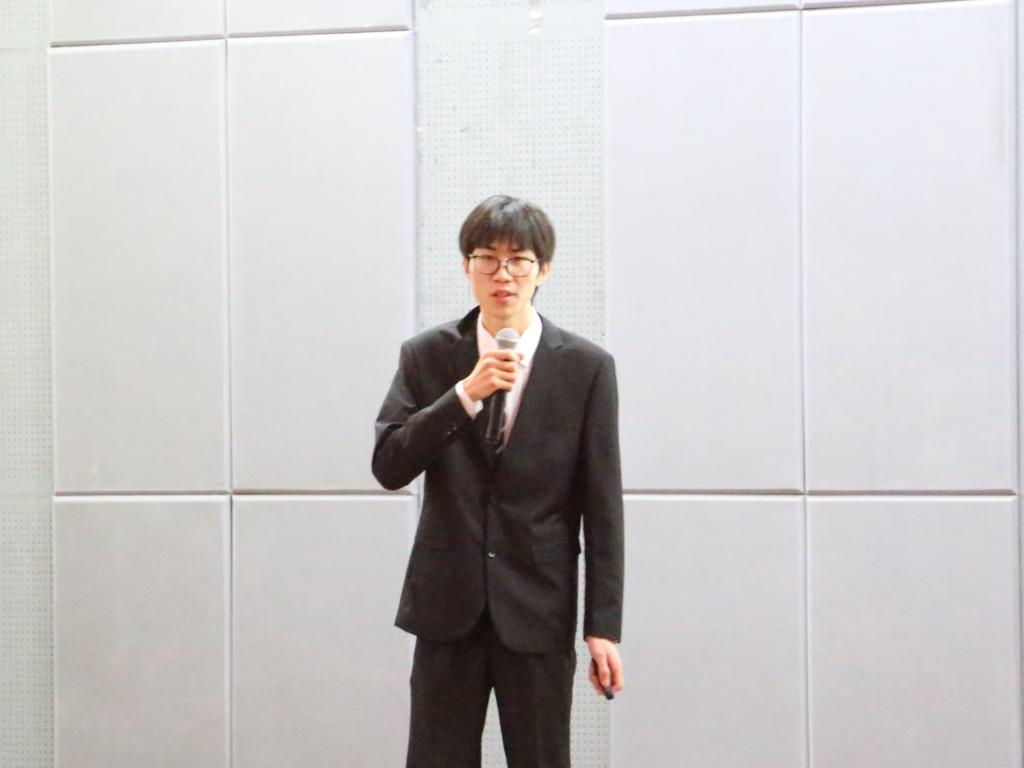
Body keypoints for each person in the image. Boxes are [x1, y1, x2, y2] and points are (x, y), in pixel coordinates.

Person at [372, 194, 624, 768]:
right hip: (447, 606)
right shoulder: (427, 356)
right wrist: (465, 394)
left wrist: (603, 627)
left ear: (544, 269)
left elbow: (603, 506)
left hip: (537, 607)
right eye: (487, 258)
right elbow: (389, 465)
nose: (502, 275)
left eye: (519, 261)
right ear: (466, 266)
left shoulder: (586, 368)